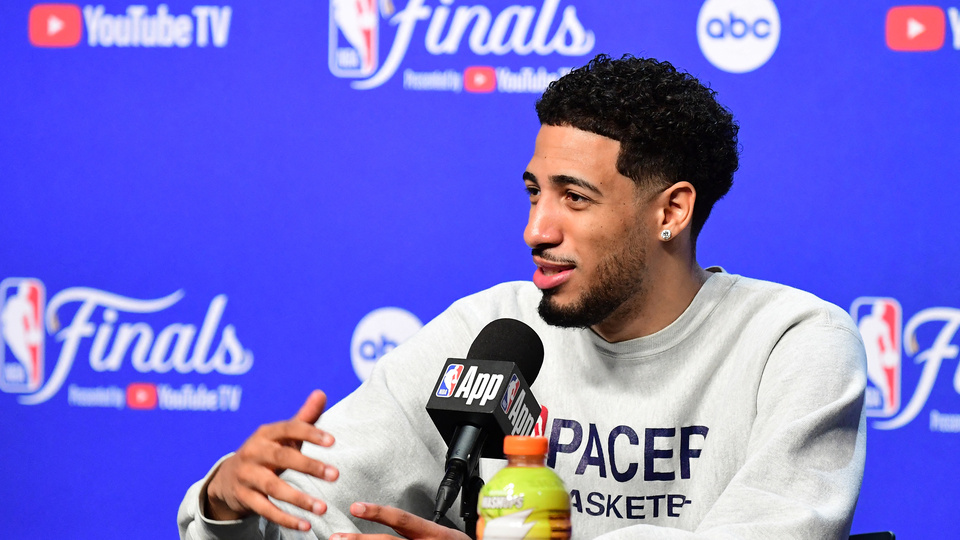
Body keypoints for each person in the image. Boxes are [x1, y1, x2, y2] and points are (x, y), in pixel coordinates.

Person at [179, 54, 867, 540]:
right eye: (536, 193)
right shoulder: (492, 327)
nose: (536, 230)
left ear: (671, 211)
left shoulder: (792, 342)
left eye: (575, 197)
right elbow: (320, 495)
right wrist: (233, 503)